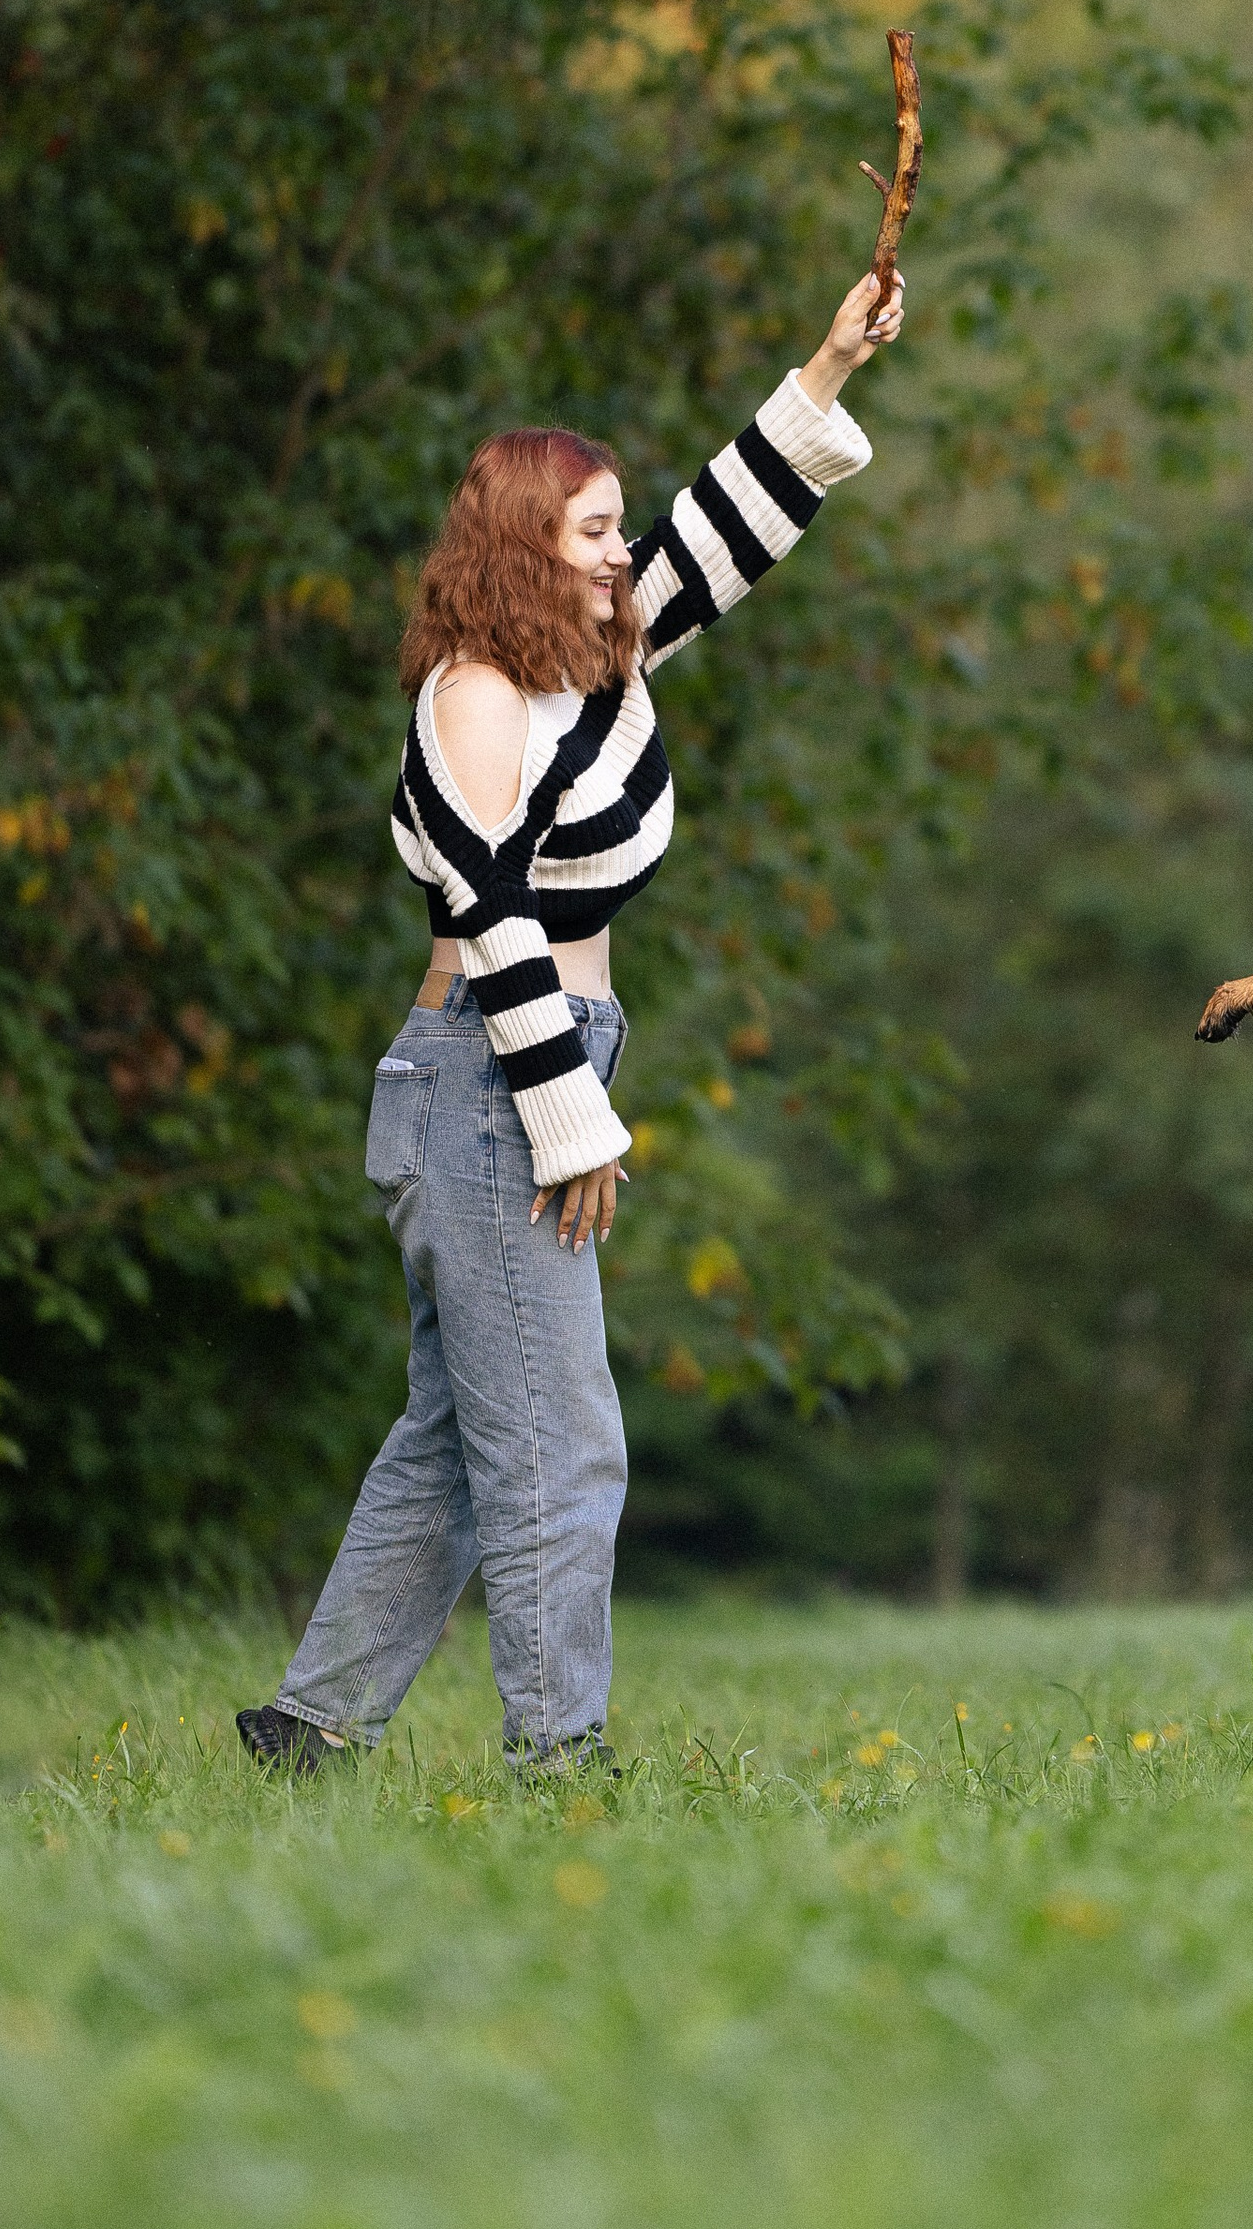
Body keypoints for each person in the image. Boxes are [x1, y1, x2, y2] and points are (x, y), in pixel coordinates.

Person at [235, 263, 904, 1774]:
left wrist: (830, 359)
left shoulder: (595, 661)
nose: (628, 551)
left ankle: (308, 1725)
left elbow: (729, 532)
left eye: (621, 529)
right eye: (598, 530)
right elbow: (487, 904)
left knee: (460, 1446)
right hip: (490, 1072)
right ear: (525, 546)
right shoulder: (475, 692)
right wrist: (565, 1110)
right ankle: (561, 1760)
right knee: (560, 1443)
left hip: (522, 1072)